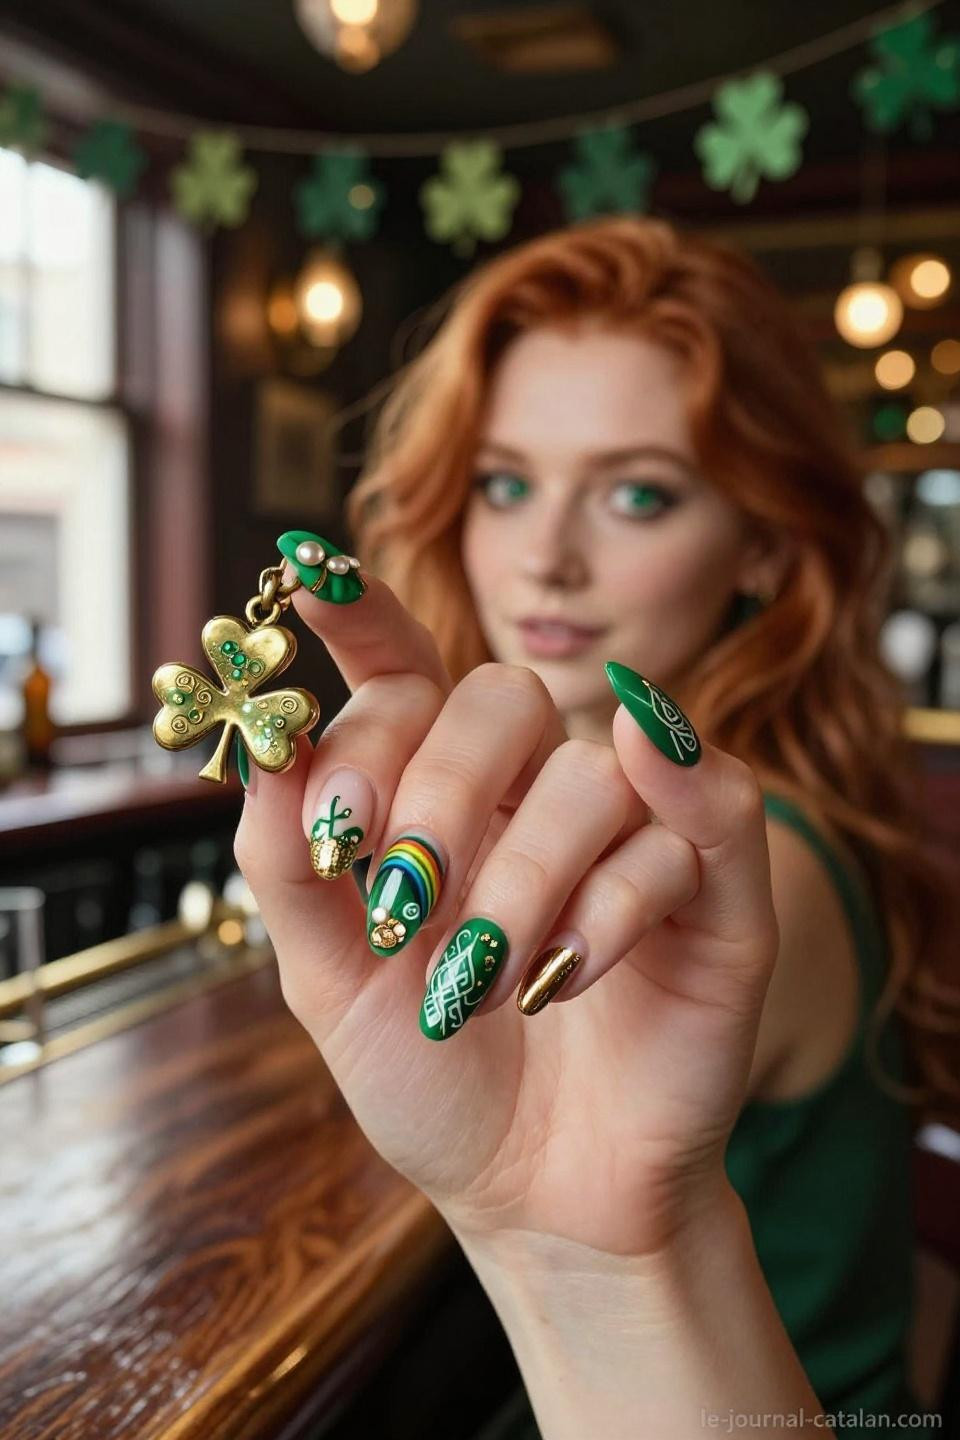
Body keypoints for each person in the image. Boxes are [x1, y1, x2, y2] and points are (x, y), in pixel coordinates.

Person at [234, 217, 955, 1436]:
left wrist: (592, 1258)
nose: (547, 559)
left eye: (636, 493)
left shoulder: (739, 864)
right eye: (506, 484)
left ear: (768, 545)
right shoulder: (696, 822)